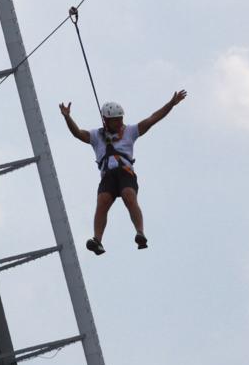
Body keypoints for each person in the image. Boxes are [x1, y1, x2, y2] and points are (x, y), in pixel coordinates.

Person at [59, 90, 187, 255]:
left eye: (121, 118)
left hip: (125, 173)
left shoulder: (130, 131)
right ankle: (97, 240)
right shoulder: (96, 136)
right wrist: (67, 117)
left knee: (128, 195)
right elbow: (78, 133)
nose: (120, 122)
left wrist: (171, 104)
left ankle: (140, 232)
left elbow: (153, 118)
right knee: (102, 202)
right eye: (116, 120)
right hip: (108, 176)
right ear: (106, 121)